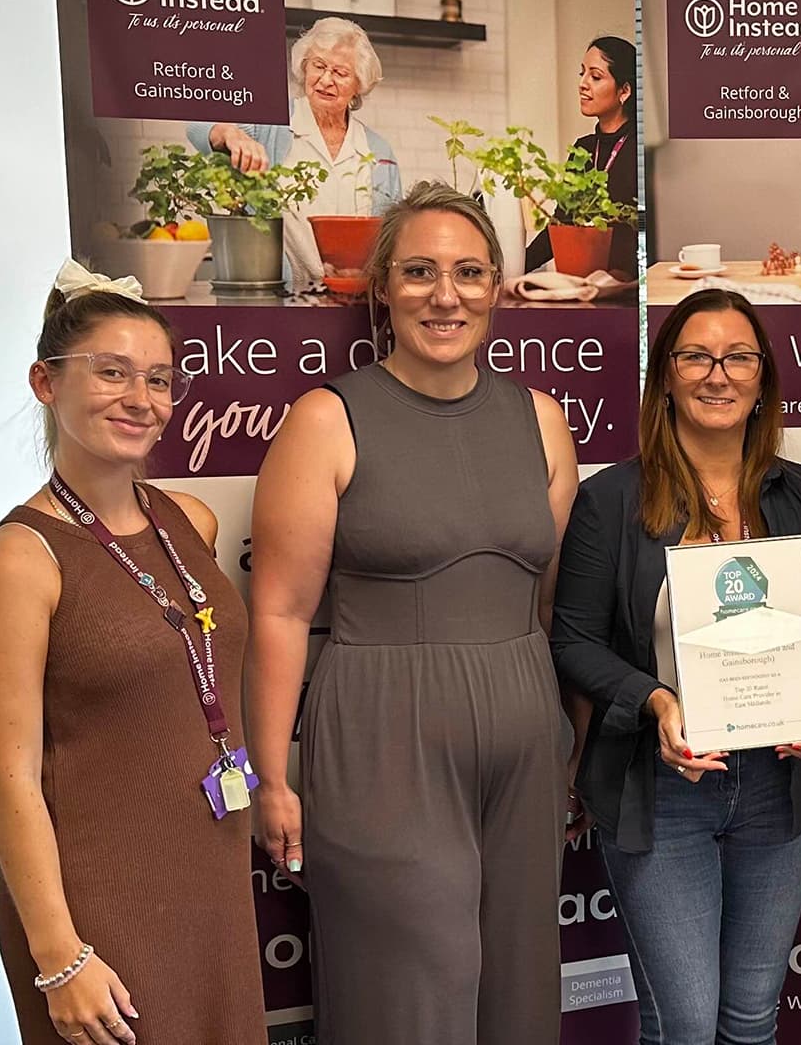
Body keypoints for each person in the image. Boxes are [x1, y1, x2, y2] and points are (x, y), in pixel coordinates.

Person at [244, 181, 582, 1044]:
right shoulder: (327, 420)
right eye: (421, 271)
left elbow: (544, 604)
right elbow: (280, 613)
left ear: (499, 287)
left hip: (523, 742)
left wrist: (562, 740)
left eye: (470, 272)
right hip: (382, 735)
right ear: (383, 288)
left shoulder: (541, 421)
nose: (446, 293)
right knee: (411, 1000)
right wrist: (271, 779)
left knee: (520, 997)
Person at [0, 261, 266, 1045]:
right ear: (45, 382)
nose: (141, 398)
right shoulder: (20, 559)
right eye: (112, 372)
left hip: (208, 877)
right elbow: (12, 777)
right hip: (98, 902)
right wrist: (59, 957)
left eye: (159, 380)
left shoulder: (190, 520)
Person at [551, 288, 801, 1045]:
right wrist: (654, 701)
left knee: (752, 1018)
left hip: (779, 789)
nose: (717, 375)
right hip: (659, 791)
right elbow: (573, 639)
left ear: (762, 380)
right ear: (666, 377)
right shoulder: (611, 500)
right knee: (682, 1024)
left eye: (738, 356)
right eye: (695, 355)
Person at [188, 16, 402, 291]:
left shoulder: (378, 150)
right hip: (283, 294)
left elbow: (395, 233)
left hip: (356, 299)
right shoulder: (274, 123)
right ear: (305, 67)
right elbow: (197, 125)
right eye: (319, 66)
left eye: (340, 73)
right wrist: (230, 134)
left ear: (358, 85)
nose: (326, 79)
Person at [527, 36, 638, 279]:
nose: (583, 84)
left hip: (631, 290)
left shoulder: (641, 150)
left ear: (625, 91)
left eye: (595, 77)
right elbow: (561, 224)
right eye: (582, 73)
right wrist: (513, 267)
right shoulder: (583, 150)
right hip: (584, 285)